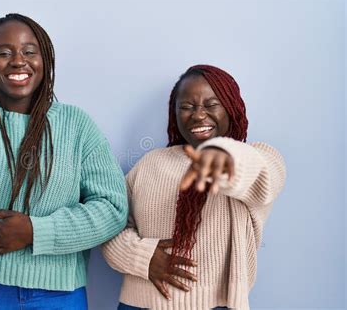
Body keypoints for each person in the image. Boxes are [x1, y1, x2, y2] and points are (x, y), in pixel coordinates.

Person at [0, 13, 128, 310]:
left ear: (46, 61)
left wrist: (34, 231)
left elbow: (112, 209)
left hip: (60, 295)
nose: (18, 61)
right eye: (3, 53)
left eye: (29, 52)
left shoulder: (77, 125)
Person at [102, 64, 286, 310]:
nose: (198, 115)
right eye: (187, 107)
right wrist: (142, 257)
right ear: (174, 114)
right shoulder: (150, 163)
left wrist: (223, 156)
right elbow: (109, 225)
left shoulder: (256, 158)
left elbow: (260, 172)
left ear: (231, 109)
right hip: (140, 305)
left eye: (211, 105)